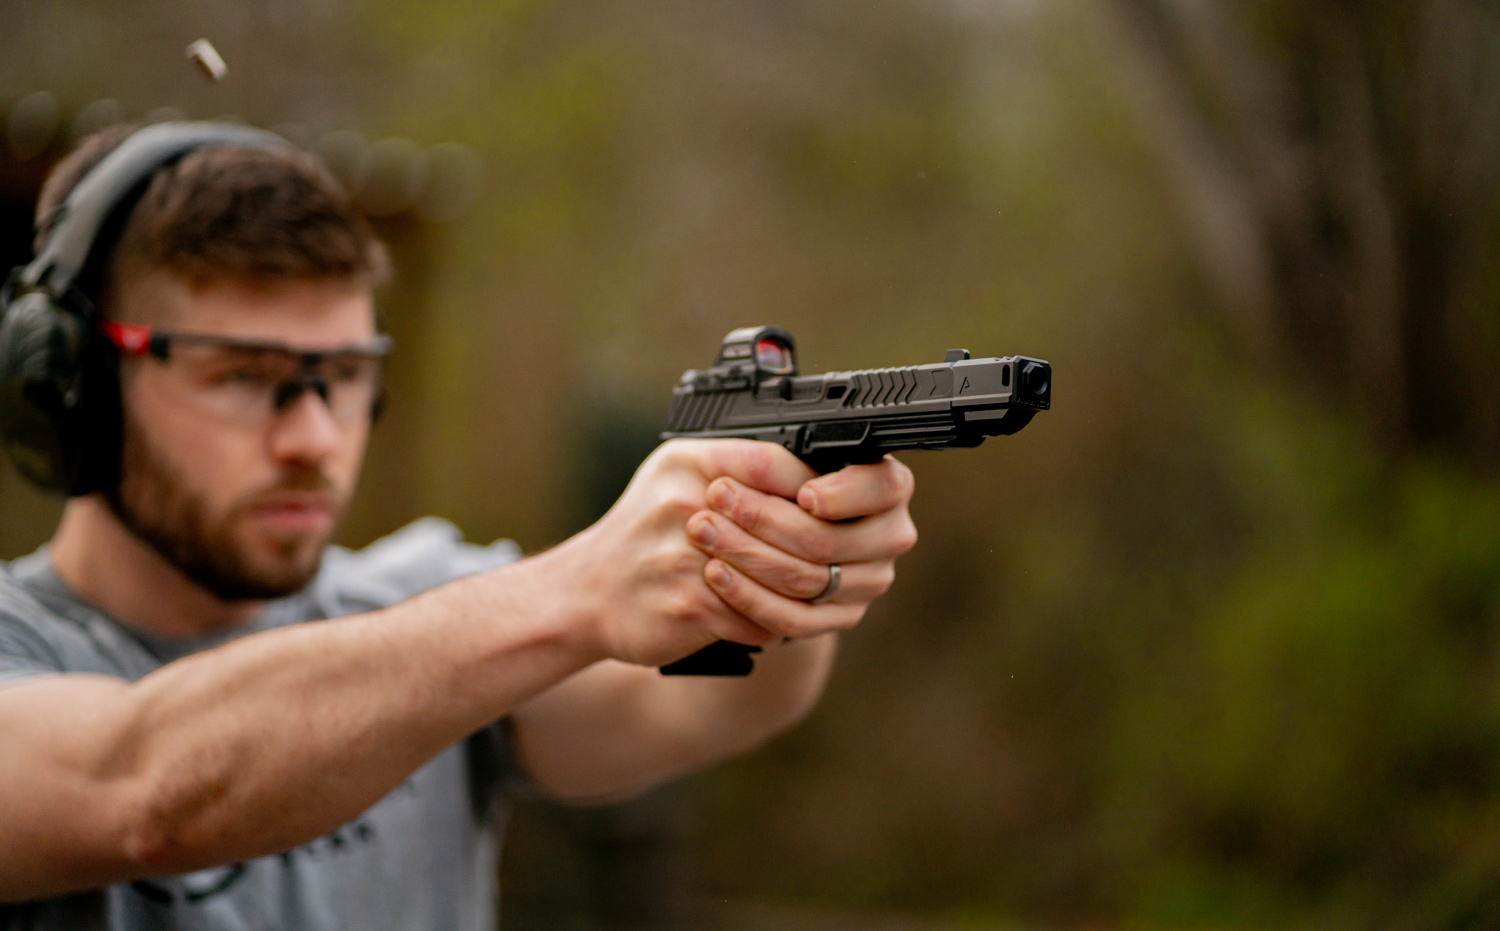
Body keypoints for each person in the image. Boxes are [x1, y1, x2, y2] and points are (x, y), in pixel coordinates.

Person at [0, 122, 917, 930]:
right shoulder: (18, 656)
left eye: (348, 373)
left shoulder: (426, 604)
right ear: (70, 387)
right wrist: (580, 587)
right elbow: (140, 790)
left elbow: (707, 702)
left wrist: (781, 553)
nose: (316, 437)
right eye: (243, 374)